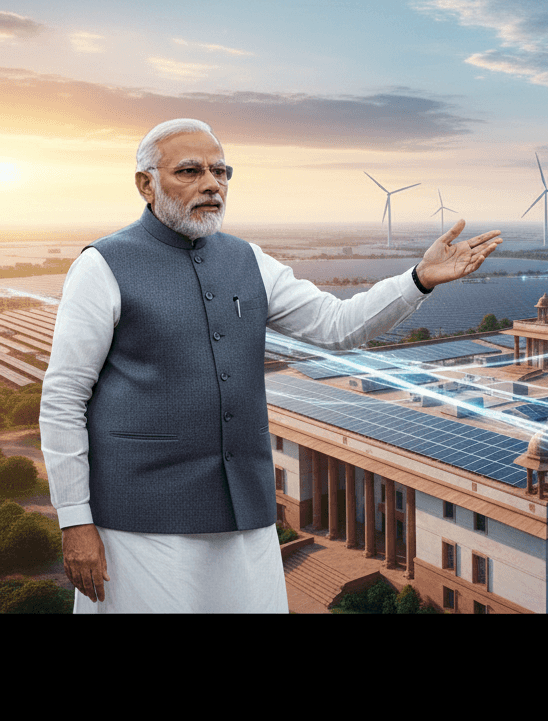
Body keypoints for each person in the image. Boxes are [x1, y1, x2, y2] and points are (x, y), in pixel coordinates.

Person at [39, 118, 501, 613]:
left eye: (221, 171)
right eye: (190, 171)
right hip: (138, 522)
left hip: (245, 516)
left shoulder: (249, 259)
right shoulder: (102, 266)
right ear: (146, 184)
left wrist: (418, 279)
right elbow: (64, 399)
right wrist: (75, 520)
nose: (212, 184)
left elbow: (337, 324)